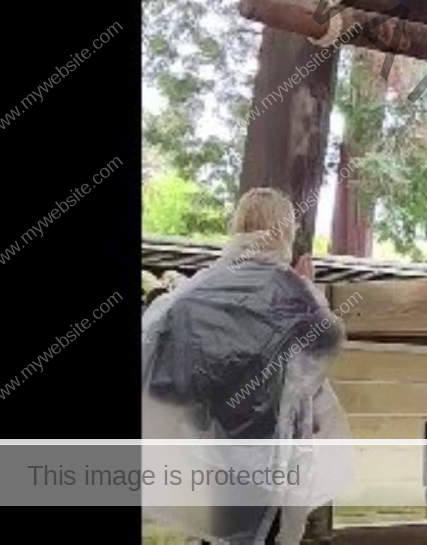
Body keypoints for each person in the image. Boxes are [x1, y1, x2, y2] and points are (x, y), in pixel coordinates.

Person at [142, 188, 351, 544]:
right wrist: (309, 288)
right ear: (284, 231)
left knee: (218, 533)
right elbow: (329, 341)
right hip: (271, 460)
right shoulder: (293, 294)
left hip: (210, 457)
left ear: (237, 226)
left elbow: (162, 369)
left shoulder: (196, 291)